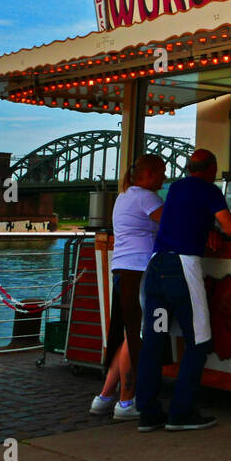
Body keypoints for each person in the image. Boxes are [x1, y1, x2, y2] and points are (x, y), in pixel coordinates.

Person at [135, 148, 231, 432]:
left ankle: (147, 411)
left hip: (157, 267)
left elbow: (185, 218)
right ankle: (181, 412)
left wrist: (208, 227)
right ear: (212, 169)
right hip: (182, 269)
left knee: (154, 340)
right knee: (198, 340)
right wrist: (219, 228)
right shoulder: (208, 190)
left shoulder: (176, 189)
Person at [91, 153, 165, 420]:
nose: (165, 178)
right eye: (161, 172)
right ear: (148, 174)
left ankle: (104, 397)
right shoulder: (147, 197)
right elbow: (171, 224)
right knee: (138, 336)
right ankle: (125, 403)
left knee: (127, 335)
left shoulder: (124, 196)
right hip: (140, 270)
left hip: (122, 270)